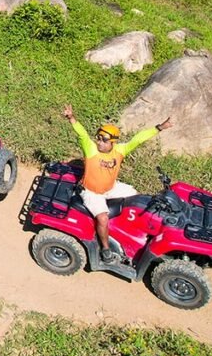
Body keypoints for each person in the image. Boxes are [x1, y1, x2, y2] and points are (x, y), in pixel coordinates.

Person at [62, 104, 173, 264]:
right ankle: (105, 249)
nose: (99, 142)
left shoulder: (120, 150)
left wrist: (160, 127)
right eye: (98, 138)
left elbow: (139, 138)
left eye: (104, 140)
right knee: (102, 218)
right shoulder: (91, 150)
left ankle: (130, 231)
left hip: (111, 188)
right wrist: (71, 118)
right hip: (92, 192)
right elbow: (82, 135)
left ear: (113, 142)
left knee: (138, 198)